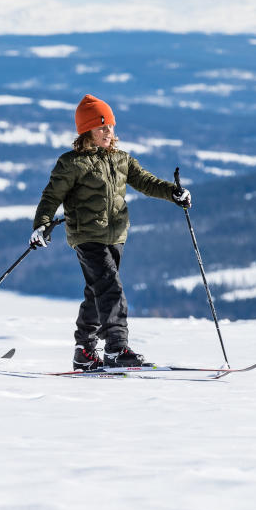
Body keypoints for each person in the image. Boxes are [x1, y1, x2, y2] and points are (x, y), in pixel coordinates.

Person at [30, 94, 191, 370]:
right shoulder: (71, 163)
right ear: (86, 130)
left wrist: (173, 193)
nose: (109, 132)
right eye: (102, 127)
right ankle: (116, 347)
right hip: (87, 236)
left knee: (97, 290)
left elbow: (146, 181)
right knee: (110, 288)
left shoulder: (121, 159)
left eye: (111, 126)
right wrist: (41, 225)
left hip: (115, 236)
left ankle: (84, 350)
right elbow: (50, 197)